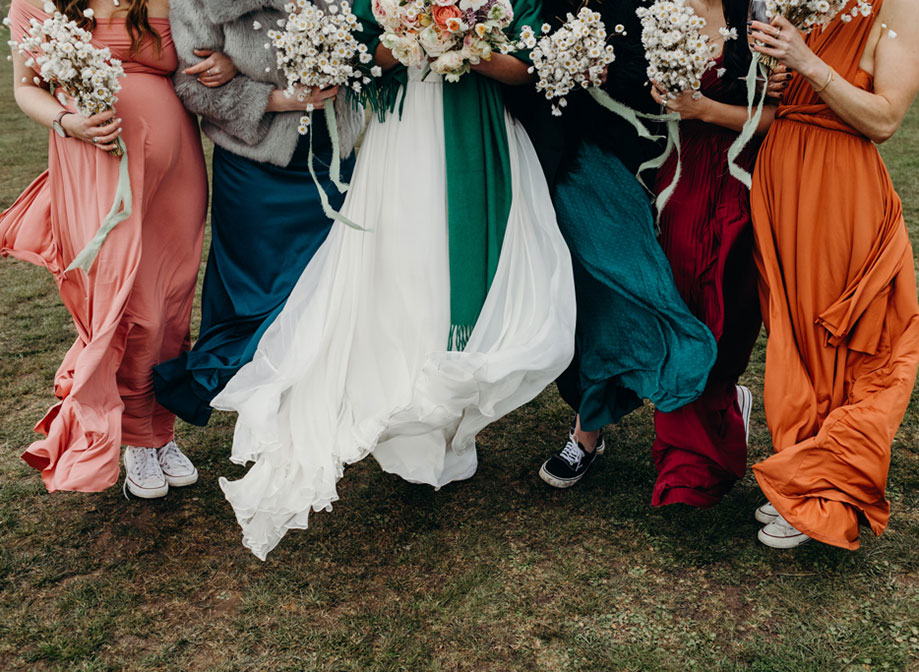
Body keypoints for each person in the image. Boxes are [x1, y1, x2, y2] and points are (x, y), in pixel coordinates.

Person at [210, 0, 577, 560]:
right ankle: (412, 426)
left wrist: (465, 46)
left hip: (478, 129)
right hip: (404, 132)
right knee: (405, 269)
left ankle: (447, 431)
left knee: (463, 273)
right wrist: (411, 36)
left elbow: (525, 64)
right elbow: (363, 55)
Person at [1, 0, 207, 498]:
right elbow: (26, 88)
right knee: (133, 307)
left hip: (177, 164)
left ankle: (162, 434)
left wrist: (216, 65)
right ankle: (136, 436)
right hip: (93, 160)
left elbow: (202, 55)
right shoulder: (37, 2)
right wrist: (67, 121)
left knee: (173, 302)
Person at [514, 0, 719, 491]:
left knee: (619, 278)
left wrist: (602, 71)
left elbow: (656, 70)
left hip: (613, 155)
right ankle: (593, 413)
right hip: (538, 151)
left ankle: (601, 425)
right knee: (571, 292)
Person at [748, 0, 919, 548]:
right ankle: (801, 466)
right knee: (791, 333)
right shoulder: (801, 1)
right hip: (781, 181)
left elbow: (886, 118)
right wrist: (772, 80)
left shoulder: (899, 7)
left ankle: (825, 489)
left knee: (834, 342)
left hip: (838, 186)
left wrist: (808, 63)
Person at [152, 0, 365, 427]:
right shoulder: (199, 3)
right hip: (255, 167)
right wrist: (276, 99)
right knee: (260, 290)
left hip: (329, 156)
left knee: (325, 281)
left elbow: (364, 49)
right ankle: (263, 400)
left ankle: (317, 401)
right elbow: (192, 86)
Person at [644, 0, 778, 508]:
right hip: (681, 179)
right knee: (684, 312)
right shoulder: (655, 11)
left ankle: (724, 400)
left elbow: (779, 116)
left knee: (734, 310)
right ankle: (686, 463)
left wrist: (704, 108)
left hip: (746, 177)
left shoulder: (757, 13)